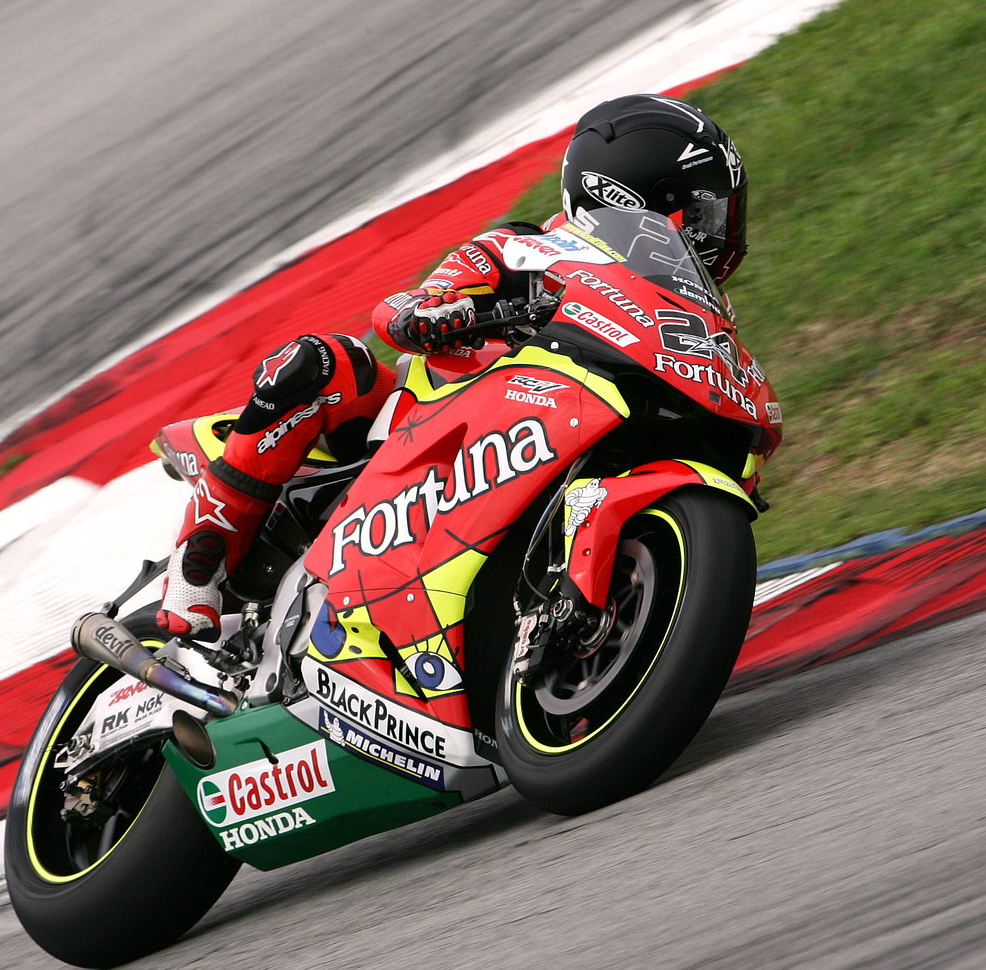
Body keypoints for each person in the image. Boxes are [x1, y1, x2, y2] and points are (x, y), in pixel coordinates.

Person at [156, 93, 750, 638]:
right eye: (703, 218)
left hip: (549, 437)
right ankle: (196, 567)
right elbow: (403, 310)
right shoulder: (527, 249)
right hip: (423, 432)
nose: (717, 235)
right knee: (326, 362)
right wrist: (446, 314)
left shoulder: (685, 312)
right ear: (629, 199)